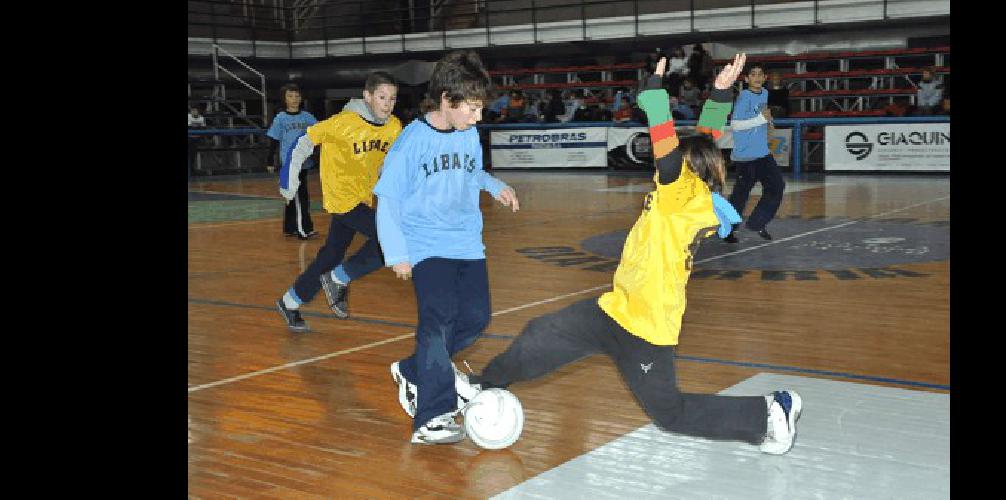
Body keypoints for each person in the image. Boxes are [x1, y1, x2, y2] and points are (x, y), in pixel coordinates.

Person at [442, 54, 803, 454]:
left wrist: (654, 93)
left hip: (645, 327)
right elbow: (707, 136)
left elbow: (667, 141)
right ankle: (484, 385)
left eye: (675, 158)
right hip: (616, 308)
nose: (664, 161)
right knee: (542, 332)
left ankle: (769, 413)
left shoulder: (680, 192)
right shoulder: (693, 187)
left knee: (670, 414)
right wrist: (720, 90)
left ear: (686, 167)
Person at [377, 49, 521, 445]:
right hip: (426, 244)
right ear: (446, 100)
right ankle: (432, 416)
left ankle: (413, 369)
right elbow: (387, 198)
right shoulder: (412, 141)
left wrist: (496, 187)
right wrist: (397, 254)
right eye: (472, 109)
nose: (478, 118)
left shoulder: (468, 133)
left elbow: (472, 171)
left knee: (476, 317)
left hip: (467, 242)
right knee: (437, 324)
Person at [273, 71, 404, 331]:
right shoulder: (342, 123)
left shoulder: (393, 127)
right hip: (341, 199)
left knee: (331, 255)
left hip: (363, 199)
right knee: (392, 237)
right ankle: (339, 278)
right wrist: (289, 181)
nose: (387, 103)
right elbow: (303, 142)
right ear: (367, 96)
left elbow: (389, 164)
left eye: (392, 98)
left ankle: (290, 301)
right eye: (382, 97)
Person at [725, 62, 782, 243]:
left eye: (760, 74)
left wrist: (768, 122)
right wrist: (760, 119)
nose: (757, 77)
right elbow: (736, 125)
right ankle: (728, 229)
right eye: (753, 74)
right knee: (740, 195)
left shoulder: (765, 93)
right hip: (745, 157)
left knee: (776, 187)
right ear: (747, 79)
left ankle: (757, 222)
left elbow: (762, 116)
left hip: (763, 153)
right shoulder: (744, 96)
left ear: (765, 78)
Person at [267, 83, 320, 239]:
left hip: (305, 163)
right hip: (290, 164)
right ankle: (304, 229)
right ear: (284, 99)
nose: (294, 99)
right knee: (300, 196)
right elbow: (274, 140)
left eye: (297, 96)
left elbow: (320, 133)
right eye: (290, 96)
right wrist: (270, 160)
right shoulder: (280, 118)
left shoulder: (307, 117)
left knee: (293, 195)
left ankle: (290, 227)